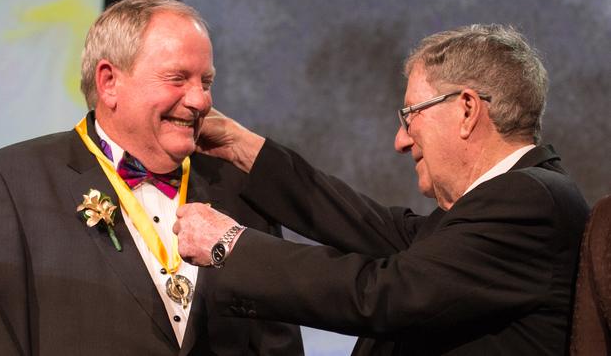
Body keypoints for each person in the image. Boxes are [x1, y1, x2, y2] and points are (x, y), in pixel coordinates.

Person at [175, 24, 590, 355]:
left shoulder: (530, 201)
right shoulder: (505, 200)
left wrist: (231, 244)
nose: (401, 140)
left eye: (410, 115)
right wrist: (242, 146)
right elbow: (372, 228)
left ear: (466, 110)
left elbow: (385, 293)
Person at [0, 0, 302, 355]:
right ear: (109, 82)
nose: (201, 100)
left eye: (205, 81)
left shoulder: (240, 189)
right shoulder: (11, 182)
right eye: (178, 79)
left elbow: (277, 345)